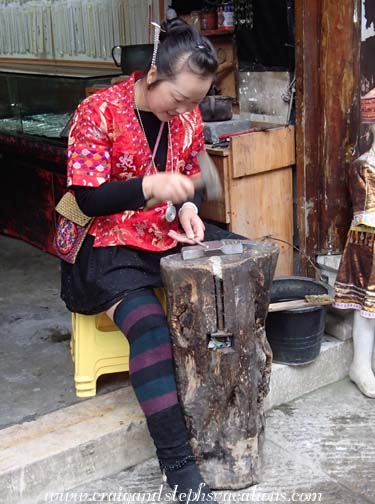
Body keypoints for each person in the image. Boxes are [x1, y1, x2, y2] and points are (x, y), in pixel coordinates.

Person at [57, 17, 237, 502]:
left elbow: (185, 179)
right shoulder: (98, 111)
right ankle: (178, 467)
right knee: (152, 331)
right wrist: (149, 187)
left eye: (195, 104)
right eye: (178, 100)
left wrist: (191, 209)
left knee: (232, 268)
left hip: (160, 232)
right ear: (153, 75)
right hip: (105, 240)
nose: (184, 112)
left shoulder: (188, 116)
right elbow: (88, 198)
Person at [334, 86, 375, 399]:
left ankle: (372, 358)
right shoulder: (364, 166)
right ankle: (360, 364)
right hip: (369, 244)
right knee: (367, 306)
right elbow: (368, 213)